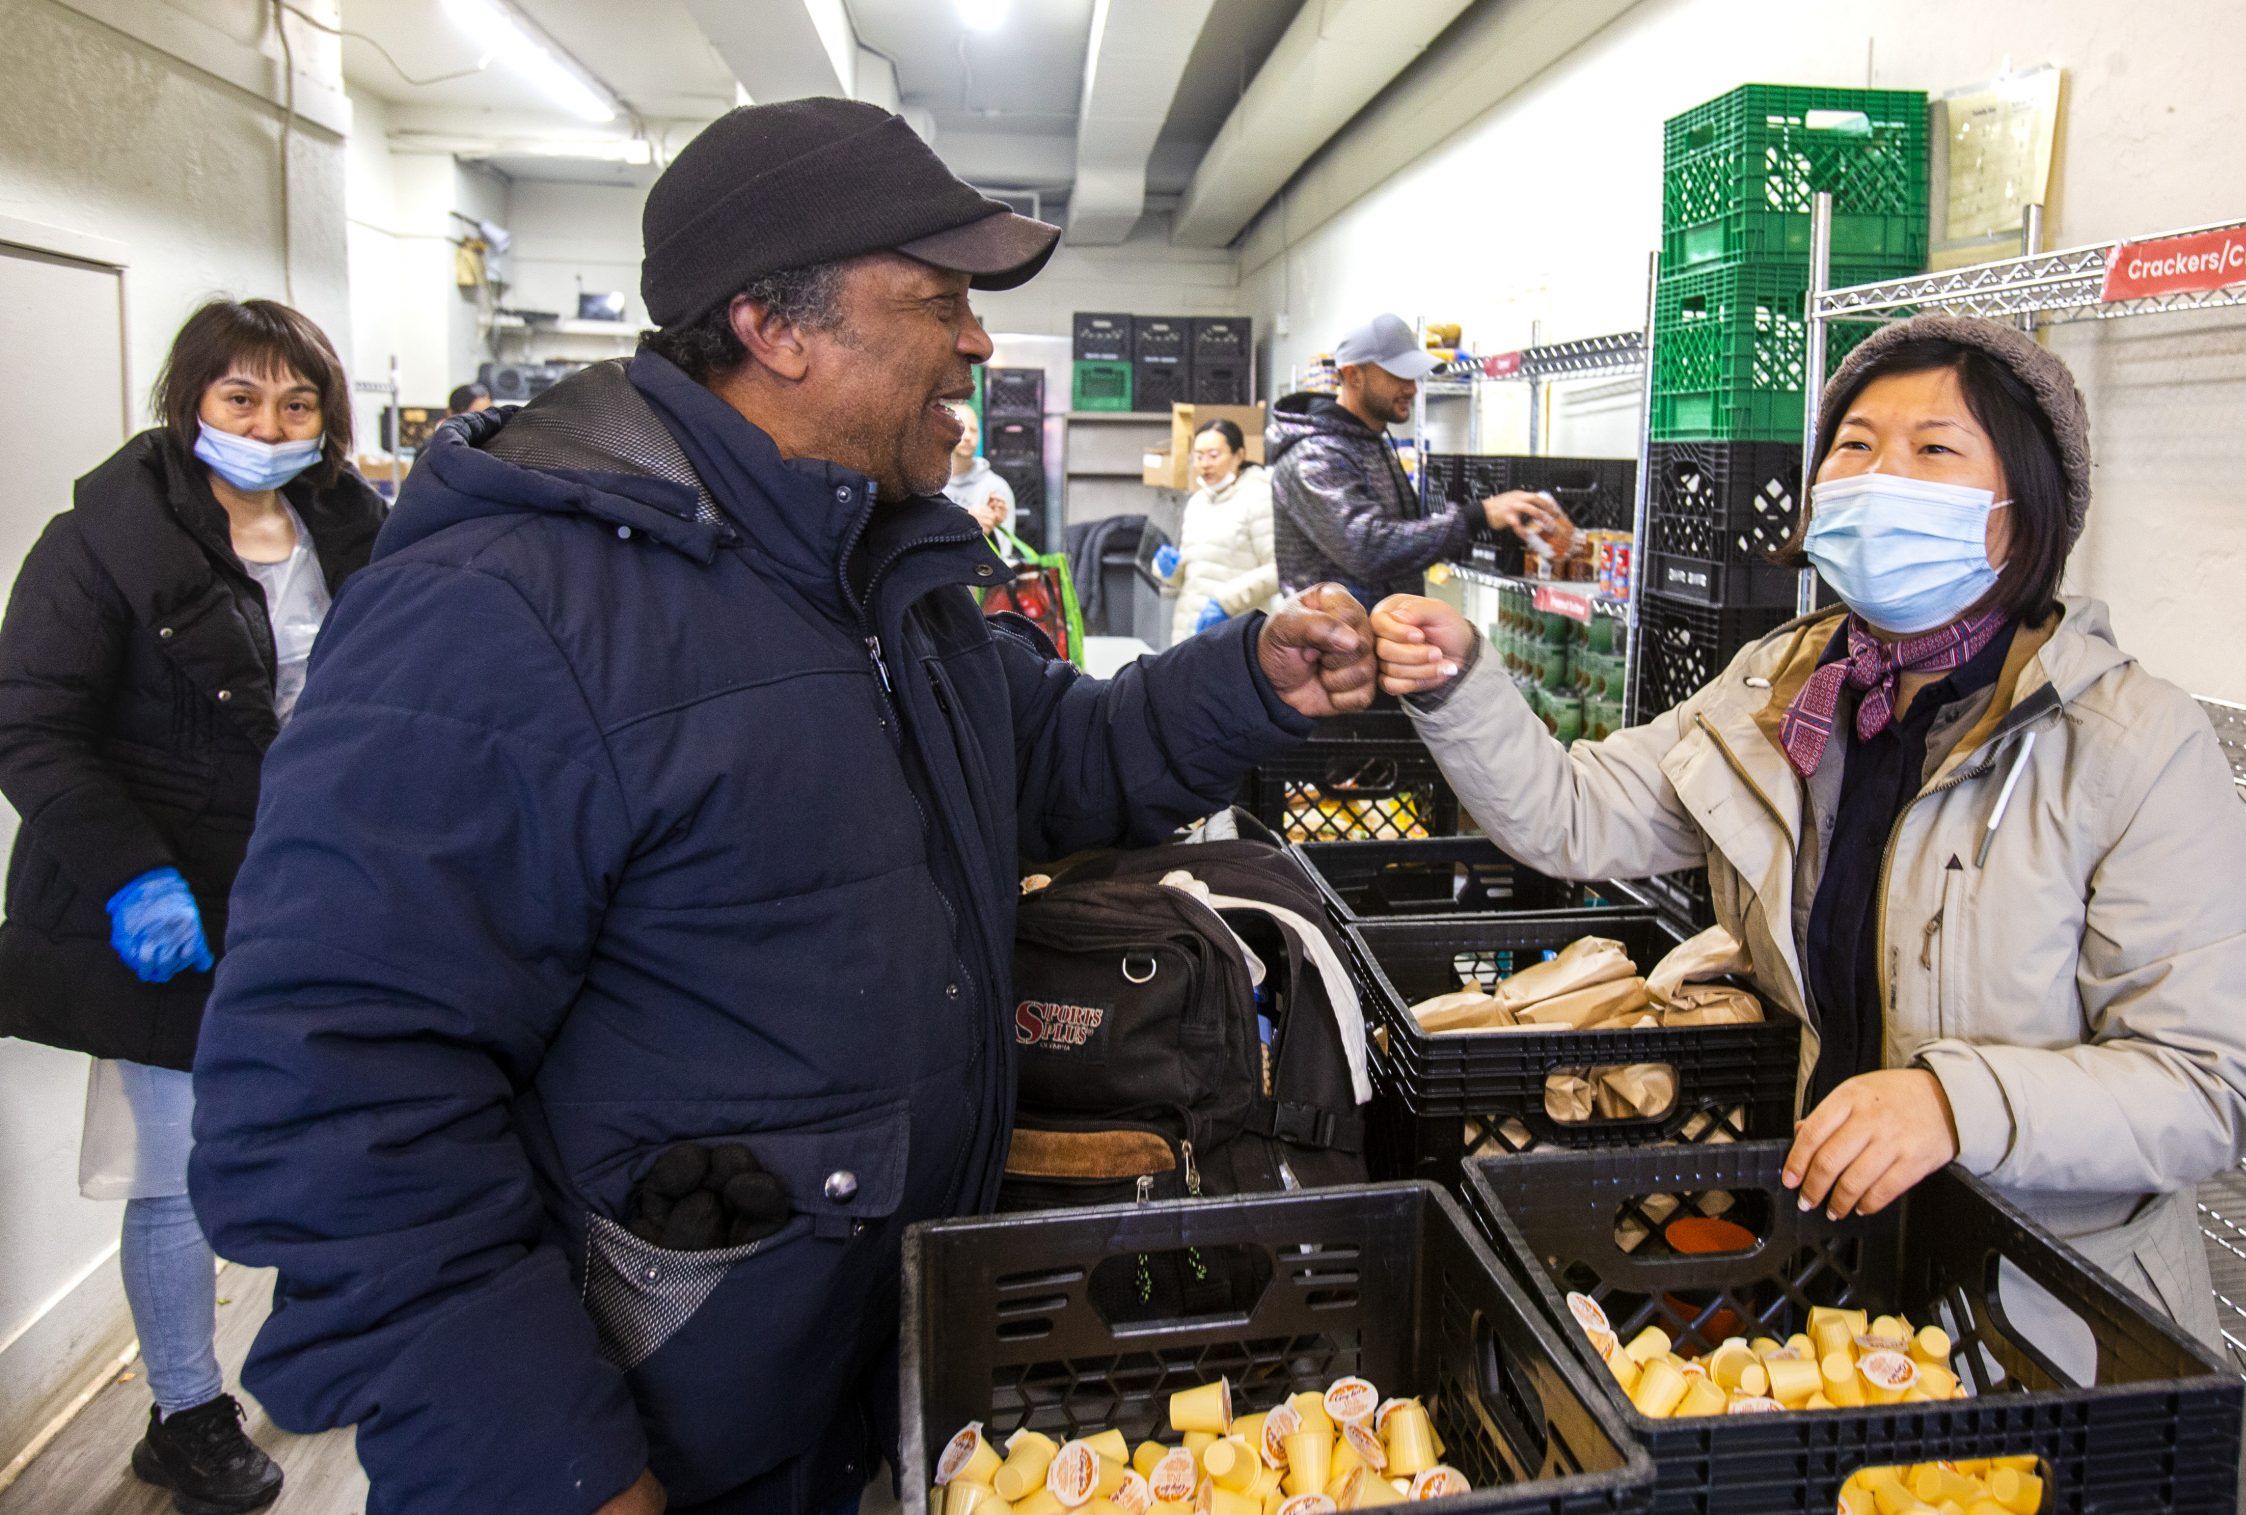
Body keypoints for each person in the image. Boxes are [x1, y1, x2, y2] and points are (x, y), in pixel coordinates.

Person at [185, 98, 1376, 1515]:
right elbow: (337, 1091)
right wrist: (550, 1466)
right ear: (774, 324)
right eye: (939, 301)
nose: (978, 342)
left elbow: (1049, 754)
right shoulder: (502, 613)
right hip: (665, 1427)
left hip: (868, 1384)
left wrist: (1250, 676)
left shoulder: (869, 574)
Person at [1370, 315, 2246, 1350]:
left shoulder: (2127, 743)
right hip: (1825, 1265)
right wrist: (1459, 686)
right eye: (1854, 446)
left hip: (2039, 1309)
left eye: (1933, 448)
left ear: (2020, 515)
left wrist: (1956, 1104)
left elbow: (2211, 1084)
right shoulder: (1778, 689)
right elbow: (1576, 818)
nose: (1876, 475)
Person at [0, 298, 385, 1515]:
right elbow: (32, 723)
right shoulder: (106, 537)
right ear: (191, 401)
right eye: (241, 398)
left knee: (329, 1137)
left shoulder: (348, 523)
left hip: (316, 888)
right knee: (173, 1171)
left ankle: (317, 1351)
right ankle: (184, 1410)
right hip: (165, 894)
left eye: (296, 402)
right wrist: (131, 874)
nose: (268, 424)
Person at [1267, 313, 1559, 606]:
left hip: (1381, 637)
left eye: (1413, 376)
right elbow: (1368, 549)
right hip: (1332, 644)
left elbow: (1397, 537)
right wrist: (1477, 516)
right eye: (1398, 376)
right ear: (1354, 375)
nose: (1412, 388)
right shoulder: (1314, 455)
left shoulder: (1367, 442)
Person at [1154, 418, 1278, 642]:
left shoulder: (1258, 497)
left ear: (1239, 455)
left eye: (1213, 455)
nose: (1205, 464)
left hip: (1238, 633)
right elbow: (1192, 573)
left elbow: (1278, 569)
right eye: (1199, 457)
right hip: (1191, 633)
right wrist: (1172, 571)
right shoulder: (1198, 501)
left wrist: (1224, 603)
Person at [942, 400, 1014, 538]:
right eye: (961, 429)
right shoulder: (930, 486)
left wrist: (992, 527)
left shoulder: (997, 488)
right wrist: (966, 522)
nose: (968, 437)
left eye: (973, 430)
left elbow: (1002, 553)